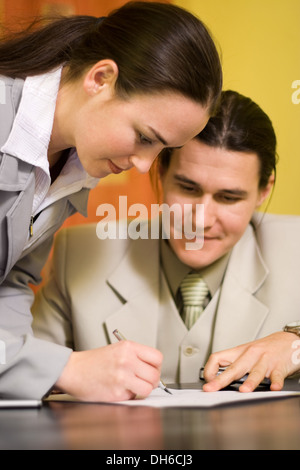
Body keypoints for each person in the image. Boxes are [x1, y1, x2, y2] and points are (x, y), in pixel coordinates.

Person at [0, 1, 223, 400]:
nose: (143, 166)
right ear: (100, 78)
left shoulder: (75, 166)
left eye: (162, 151)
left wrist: (20, 378)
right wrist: (62, 368)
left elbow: (10, 280)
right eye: (144, 137)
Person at [32, 90, 300, 399]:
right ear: (158, 173)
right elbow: (20, 371)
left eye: (229, 197)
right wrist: (70, 371)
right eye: (188, 189)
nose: (200, 221)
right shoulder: (79, 252)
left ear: (264, 190)